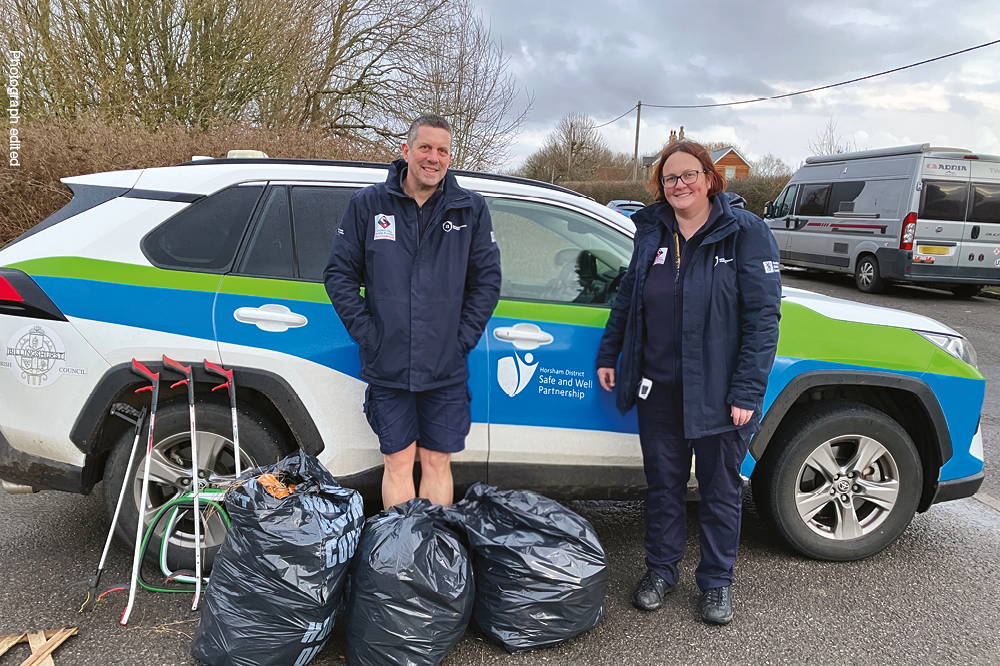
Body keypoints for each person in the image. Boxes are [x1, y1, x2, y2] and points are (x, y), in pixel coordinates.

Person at [595, 141, 781, 625]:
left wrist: (747, 391)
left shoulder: (745, 232)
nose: (679, 185)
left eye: (689, 175)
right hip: (658, 388)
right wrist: (609, 352)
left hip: (721, 393)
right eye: (670, 178)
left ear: (709, 178)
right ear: (660, 185)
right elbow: (627, 301)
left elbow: (763, 319)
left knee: (719, 492)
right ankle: (660, 571)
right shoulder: (649, 230)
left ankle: (717, 583)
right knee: (663, 487)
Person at [324, 114, 501, 508]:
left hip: (446, 364)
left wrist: (460, 341)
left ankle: (433, 556)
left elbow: (487, 282)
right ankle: (401, 559)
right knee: (398, 460)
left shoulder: (470, 209)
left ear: (450, 157)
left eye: (442, 150)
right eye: (425, 147)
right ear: (406, 151)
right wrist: (371, 336)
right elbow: (338, 275)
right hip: (389, 362)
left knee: (438, 461)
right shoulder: (368, 205)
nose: (433, 157)